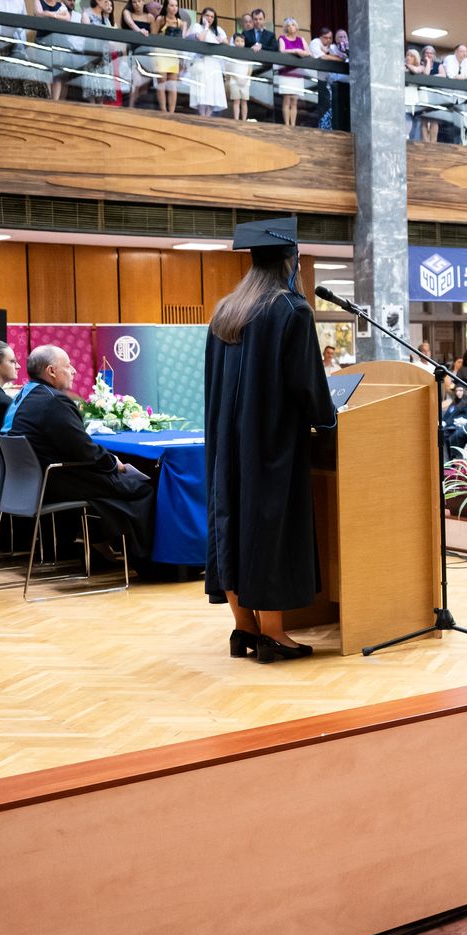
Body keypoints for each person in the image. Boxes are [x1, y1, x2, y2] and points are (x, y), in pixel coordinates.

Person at [204, 217, 336, 664]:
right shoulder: (290, 310)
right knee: (269, 528)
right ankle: (274, 634)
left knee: (232, 523)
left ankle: (244, 628)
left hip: (226, 442)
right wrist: (327, 420)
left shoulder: (226, 311)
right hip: (271, 441)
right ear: (290, 259)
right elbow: (308, 385)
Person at [2, 345, 155, 564]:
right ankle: (147, 561)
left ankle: (102, 545)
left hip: (31, 482)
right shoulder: (53, 401)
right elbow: (83, 450)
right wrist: (114, 463)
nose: (74, 371)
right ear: (51, 371)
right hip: (58, 482)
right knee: (143, 487)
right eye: (68, 366)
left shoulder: (23, 396)